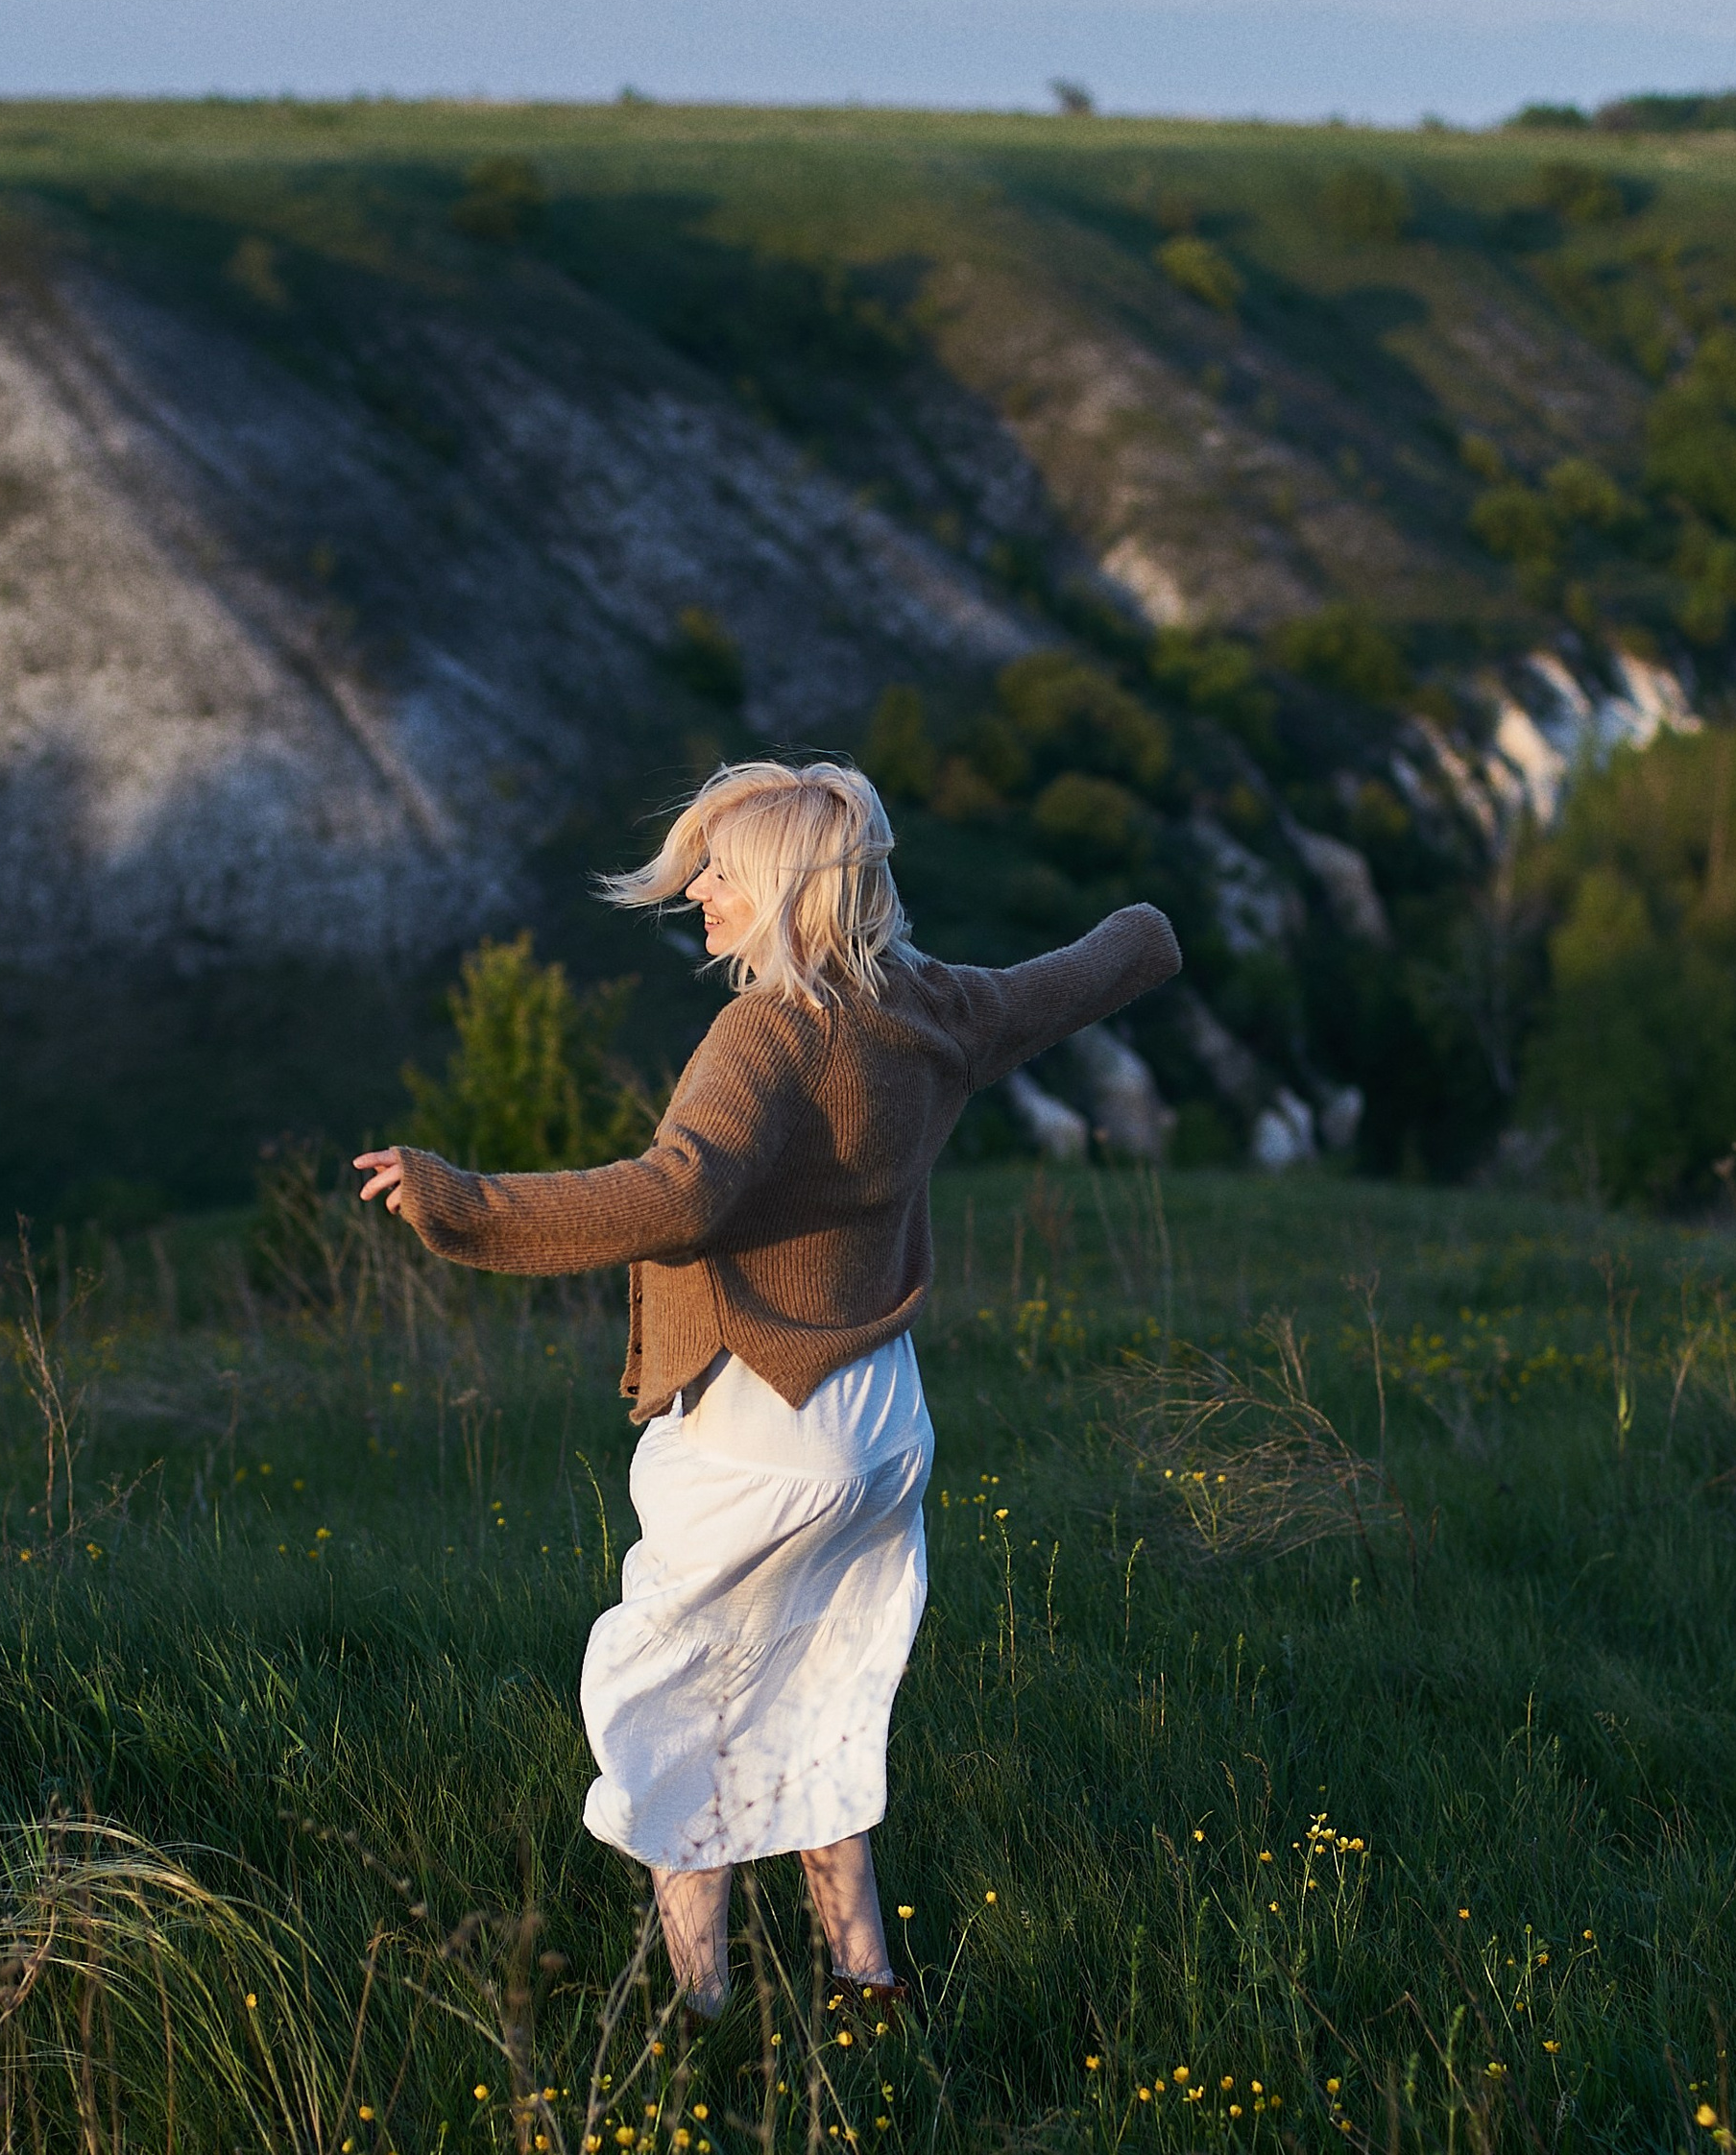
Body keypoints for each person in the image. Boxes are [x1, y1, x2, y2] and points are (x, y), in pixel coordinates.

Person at [354, 757, 1180, 2018]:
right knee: (822, 1689)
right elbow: (1062, 986)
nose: (700, 904)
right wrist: (1149, 933)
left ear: (787, 890)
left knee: (684, 1708)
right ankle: (865, 1983)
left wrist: (462, 1202)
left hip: (764, 1427)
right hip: (884, 1425)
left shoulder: (769, 1032)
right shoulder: (927, 1005)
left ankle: (701, 2010)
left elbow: (676, 1191)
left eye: (719, 880)